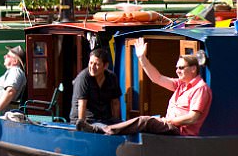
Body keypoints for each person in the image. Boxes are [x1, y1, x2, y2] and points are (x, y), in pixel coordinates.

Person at [77, 38, 212, 136]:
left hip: (180, 132)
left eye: (181, 68)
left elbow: (192, 118)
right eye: (176, 67)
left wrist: (169, 120)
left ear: (193, 69)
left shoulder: (200, 88)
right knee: (145, 121)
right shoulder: (181, 85)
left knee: (145, 120)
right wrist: (142, 58)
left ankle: (104, 131)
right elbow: (157, 78)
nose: (177, 71)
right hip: (170, 125)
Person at [70, 48, 121, 130]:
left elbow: (115, 102)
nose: (92, 67)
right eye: (90, 63)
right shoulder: (83, 78)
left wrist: (117, 123)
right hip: (87, 120)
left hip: (104, 120)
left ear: (105, 66)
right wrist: (82, 127)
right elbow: (82, 104)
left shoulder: (112, 77)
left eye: (96, 64)